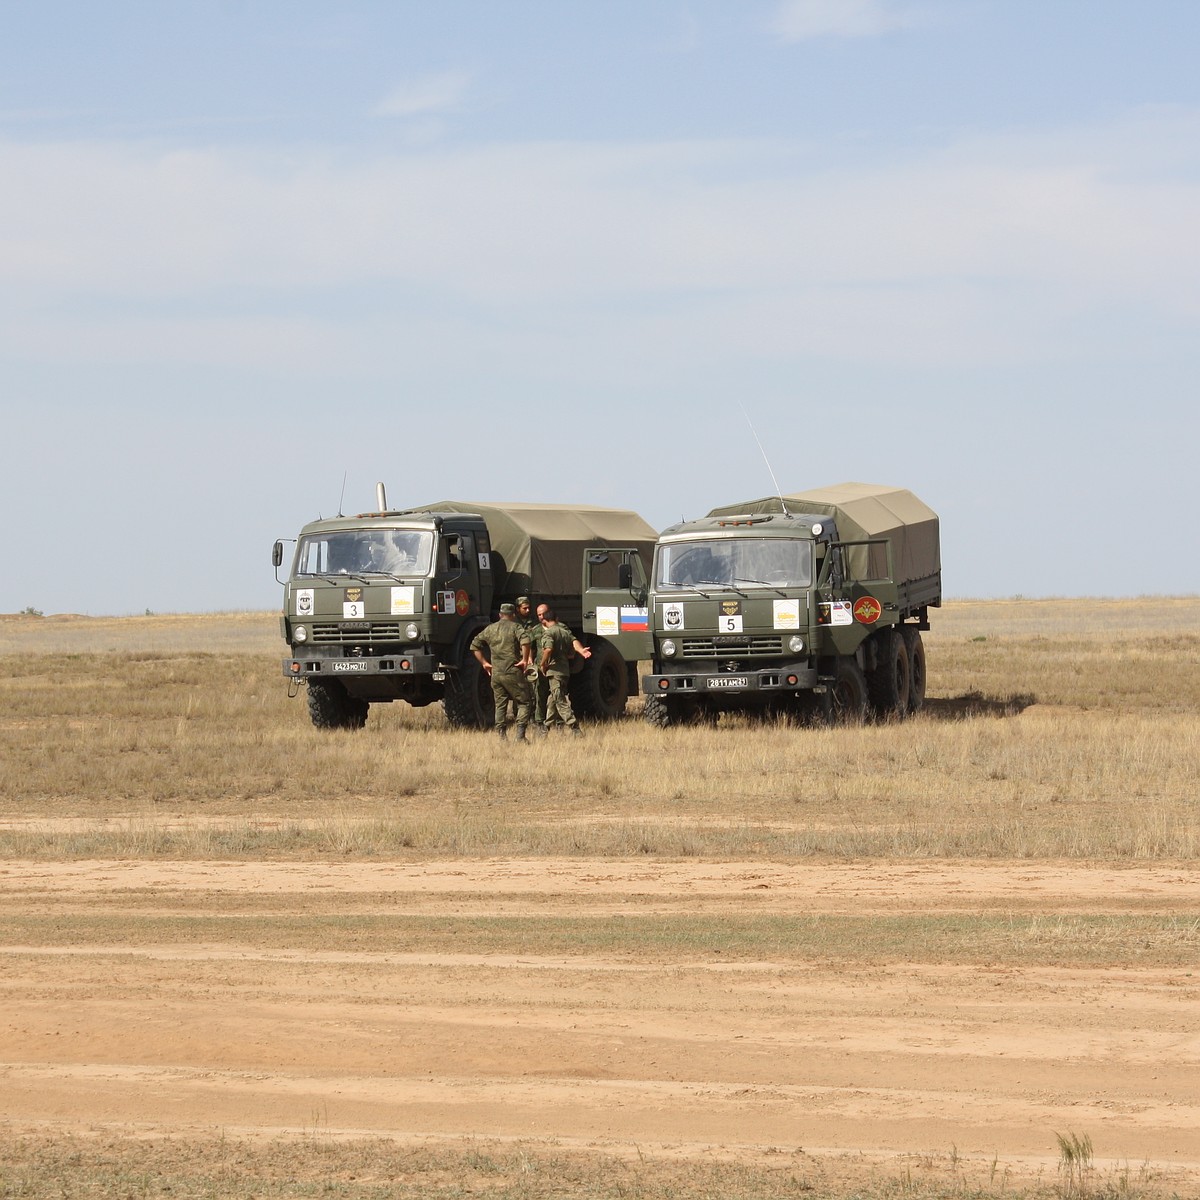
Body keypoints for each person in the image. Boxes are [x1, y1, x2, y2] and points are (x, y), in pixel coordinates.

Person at [470, 603, 533, 740]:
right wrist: (525, 659)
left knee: (500, 704)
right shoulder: (516, 627)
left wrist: (485, 663)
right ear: (513, 615)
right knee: (524, 702)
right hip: (512, 671)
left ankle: (502, 736)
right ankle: (520, 736)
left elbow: (474, 645)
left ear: (500, 615)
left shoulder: (490, 629)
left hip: (496, 673)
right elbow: (526, 641)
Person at [537, 606, 590, 736]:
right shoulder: (565, 632)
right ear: (556, 619)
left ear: (546, 619)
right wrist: (581, 650)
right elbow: (573, 648)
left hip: (554, 672)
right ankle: (546, 727)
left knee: (559, 700)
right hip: (564, 671)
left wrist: (543, 664)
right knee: (553, 700)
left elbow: (548, 649)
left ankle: (575, 728)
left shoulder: (549, 633)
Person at [515, 596, 549, 727]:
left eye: (529, 607)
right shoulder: (514, 622)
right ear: (518, 609)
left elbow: (532, 642)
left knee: (533, 689)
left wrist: (529, 658)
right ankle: (519, 717)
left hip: (529, 659)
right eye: (525, 608)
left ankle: (533, 717)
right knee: (519, 690)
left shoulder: (534, 622)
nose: (528, 610)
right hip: (517, 658)